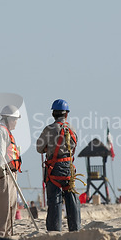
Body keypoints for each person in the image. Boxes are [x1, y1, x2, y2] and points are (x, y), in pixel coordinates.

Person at [36, 99, 81, 232]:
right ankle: (75, 229)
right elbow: (73, 148)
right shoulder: (72, 129)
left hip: (53, 169)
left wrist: (48, 148)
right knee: (71, 198)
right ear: (66, 114)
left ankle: (54, 231)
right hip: (68, 168)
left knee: (54, 201)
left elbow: (39, 148)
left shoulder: (49, 129)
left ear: (53, 114)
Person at [0, 105, 22, 237]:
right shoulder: (2, 131)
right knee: (3, 207)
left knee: (11, 205)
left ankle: (7, 233)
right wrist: (2, 174)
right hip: (5, 174)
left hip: (10, 173)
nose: (16, 122)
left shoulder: (5, 131)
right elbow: (0, 155)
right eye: (15, 119)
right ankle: (0, 234)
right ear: (8, 119)